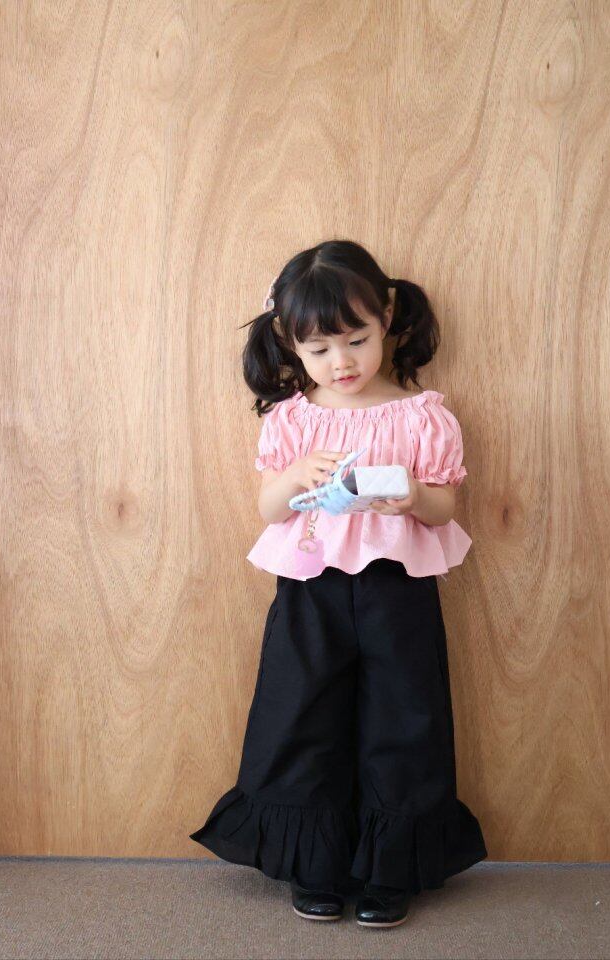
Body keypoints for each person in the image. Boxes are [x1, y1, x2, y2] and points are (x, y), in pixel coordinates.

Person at [189, 239, 488, 928]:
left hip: (398, 588)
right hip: (311, 589)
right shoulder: (294, 418)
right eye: (319, 349)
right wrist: (295, 477)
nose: (341, 362)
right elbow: (269, 509)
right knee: (302, 714)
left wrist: (414, 494)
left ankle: (389, 869)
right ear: (291, 343)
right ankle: (314, 863)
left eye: (356, 340)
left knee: (404, 716)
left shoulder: (421, 416)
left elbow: (444, 507)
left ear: (388, 319)